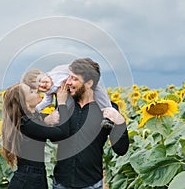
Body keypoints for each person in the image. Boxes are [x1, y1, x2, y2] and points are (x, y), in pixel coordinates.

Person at [52, 58, 130, 188]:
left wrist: (120, 122)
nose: (68, 82)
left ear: (89, 83)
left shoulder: (107, 110)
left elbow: (121, 150)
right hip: (61, 182)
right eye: (69, 77)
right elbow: (56, 139)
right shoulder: (64, 104)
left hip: (91, 183)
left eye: (74, 79)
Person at [1, 82, 69, 189]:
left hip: (30, 176)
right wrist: (62, 103)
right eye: (31, 91)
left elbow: (42, 116)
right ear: (24, 102)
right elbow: (62, 133)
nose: (36, 90)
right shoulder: (28, 124)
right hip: (30, 180)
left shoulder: (28, 120)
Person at [22, 64, 114, 128]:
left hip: (83, 78)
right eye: (39, 87)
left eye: (41, 80)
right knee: (62, 109)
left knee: (100, 94)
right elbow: (47, 101)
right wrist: (35, 110)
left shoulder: (58, 76)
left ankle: (109, 116)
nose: (43, 85)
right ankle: (62, 126)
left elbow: (74, 77)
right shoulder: (48, 90)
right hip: (69, 92)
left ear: (44, 74)